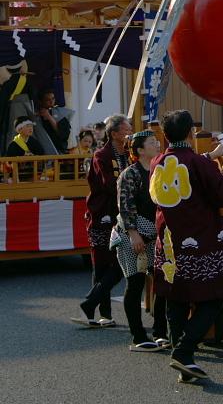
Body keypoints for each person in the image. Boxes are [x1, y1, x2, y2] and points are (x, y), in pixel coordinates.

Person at [150, 109, 223, 381]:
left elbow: (185, 165)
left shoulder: (158, 162)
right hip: (200, 240)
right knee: (213, 296)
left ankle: (184, 360)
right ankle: (184, 351)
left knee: (176, 298)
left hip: (168, 242)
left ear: (165, 135)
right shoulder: (198, 164)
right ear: (191, 132)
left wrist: (210, 158)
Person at [72, 113, 132, 328]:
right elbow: (110, 185)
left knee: (118, 263)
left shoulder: (128, 153)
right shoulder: (102, 155)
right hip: (102, 215)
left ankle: (93, 306)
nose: (129, 133)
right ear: (114, 134)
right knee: (101, 264)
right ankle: (102, 312)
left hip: (122, 215)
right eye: (126, 130)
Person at [114, 130, 169, 352]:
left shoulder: (160, 170)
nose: (157, 144)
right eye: (151, 142)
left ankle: (160, 332)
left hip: (156, 234)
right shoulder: (130, 174)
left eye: (157, 141)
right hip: (133, 235)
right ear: (139, 150)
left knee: (162, 282)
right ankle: (138, 335)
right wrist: (133, 233)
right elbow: (125, 206)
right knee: (135, 283)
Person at [35, 89, 73, 154]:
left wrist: (49, 117)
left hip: (59, 150)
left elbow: (64, 134)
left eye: (53, 99)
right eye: (47, 100)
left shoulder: (61, 113)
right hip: (42, 151)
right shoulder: (36, 115)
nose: (51, 102)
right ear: (41, 101)